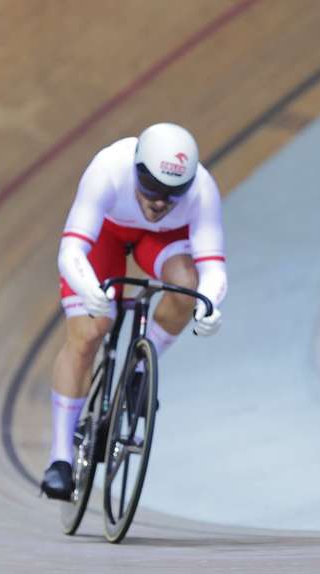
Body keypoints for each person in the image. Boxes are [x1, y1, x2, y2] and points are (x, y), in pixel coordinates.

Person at [40, 122, 227, 500]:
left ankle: (141, 369)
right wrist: (89, 289)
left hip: (161, 241)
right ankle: (60, 458)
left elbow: (213, 266)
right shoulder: (108, 169)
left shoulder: (203, 190)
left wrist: (209, 306)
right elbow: (72, 250)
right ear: (136, 170)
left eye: (173, 194)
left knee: (186, 288)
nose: (159, 203)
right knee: (91, 331)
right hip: (107, 234)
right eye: (152, 189)